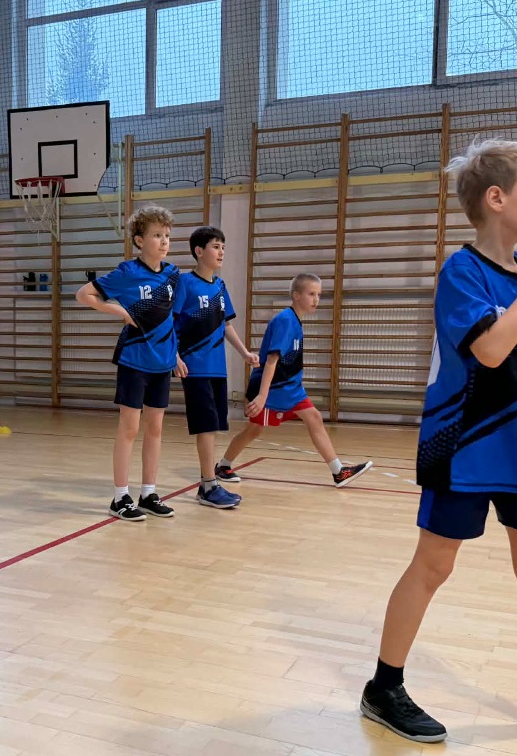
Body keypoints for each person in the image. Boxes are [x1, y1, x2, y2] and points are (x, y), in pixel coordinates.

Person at [359, 138, 517, 756]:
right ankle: (384, 688)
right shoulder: (462, 272)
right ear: (497, 199)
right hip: (461, 445)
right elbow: (488, 348)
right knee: (433, 566)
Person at [217, 273, 373, 488]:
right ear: (296, 295)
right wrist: (262, 396)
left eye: (319, 295)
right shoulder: (285, 321)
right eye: (311, 294)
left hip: (291, 389)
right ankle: (223, 466)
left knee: (314, 418)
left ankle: (339, 472)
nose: (316, 299)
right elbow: (272, 360)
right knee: (254, 429)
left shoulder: (296, 321)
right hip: (273, 389)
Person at [75, 205, 181, 522]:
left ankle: (148, 493)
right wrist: (119, 311)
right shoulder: (127, 273)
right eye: (157, 235)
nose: (164, 241)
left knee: (156, 428)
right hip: (135, 361)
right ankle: (120, 497)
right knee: (130, 428)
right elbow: (84, 295)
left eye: (167, 235)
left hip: (162, 362)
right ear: (139, 240)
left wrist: (175, 354)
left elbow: (169, 318)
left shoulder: (173, 274)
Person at [173, 226, 258, 509]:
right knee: (206, 426)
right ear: (199, 251)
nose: (221, 252)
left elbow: (226, 325)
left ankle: (208, 484)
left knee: (214, 426)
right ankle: (209, 486)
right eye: (215, 247)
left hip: (217, 368)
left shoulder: (220, 287)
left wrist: (244, 352)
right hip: (194, 367)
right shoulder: (185, 283)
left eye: (223, 247)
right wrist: (175, 356)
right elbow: (170, 323)